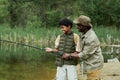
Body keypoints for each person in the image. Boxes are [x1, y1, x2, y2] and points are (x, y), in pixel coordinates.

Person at [63, 15, 104, 80]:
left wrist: (69, 55)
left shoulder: (91, 38)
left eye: (79, 25)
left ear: (85, 26)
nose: (77, 27)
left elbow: (85, 54)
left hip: (94, 65)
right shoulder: (84, 33)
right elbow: (81, 49)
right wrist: (74, 53)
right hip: (88, 63)